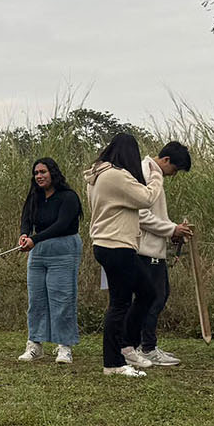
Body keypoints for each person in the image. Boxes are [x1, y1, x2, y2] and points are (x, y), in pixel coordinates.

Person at [83, 135, 158, 377]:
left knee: (147, 292)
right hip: (117, 246)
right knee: (120, 304)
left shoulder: (96, 177)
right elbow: (147, 198)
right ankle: (113, 363)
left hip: (108, 245)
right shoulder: (115, 175)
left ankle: (126, 347)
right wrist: (156, 177)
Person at [130, 142, 195, 367]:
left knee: (158, 295)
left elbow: (155, 215)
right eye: (174, 170)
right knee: (153, 298)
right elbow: (140, 214)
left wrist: (173, 231)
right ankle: (145, 347)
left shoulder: (155, 174)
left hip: (154, 248)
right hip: (144, 251)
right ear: (166, 160)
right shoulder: (146, 172)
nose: (173, 175)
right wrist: (171, 229)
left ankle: (142, 345)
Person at [16, 156, 83, 364]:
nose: (39, 176)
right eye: (36, 173)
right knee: (36, 300)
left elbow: (62, 224)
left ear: (53, 173)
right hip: (38, 251)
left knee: (62, 298)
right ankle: (35, 344)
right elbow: (26, 218)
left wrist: (34, 239)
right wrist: (25, 234)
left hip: (63, 249)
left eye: (43, 172)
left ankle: (64, 346)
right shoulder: (34, 196)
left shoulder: (68, 196)